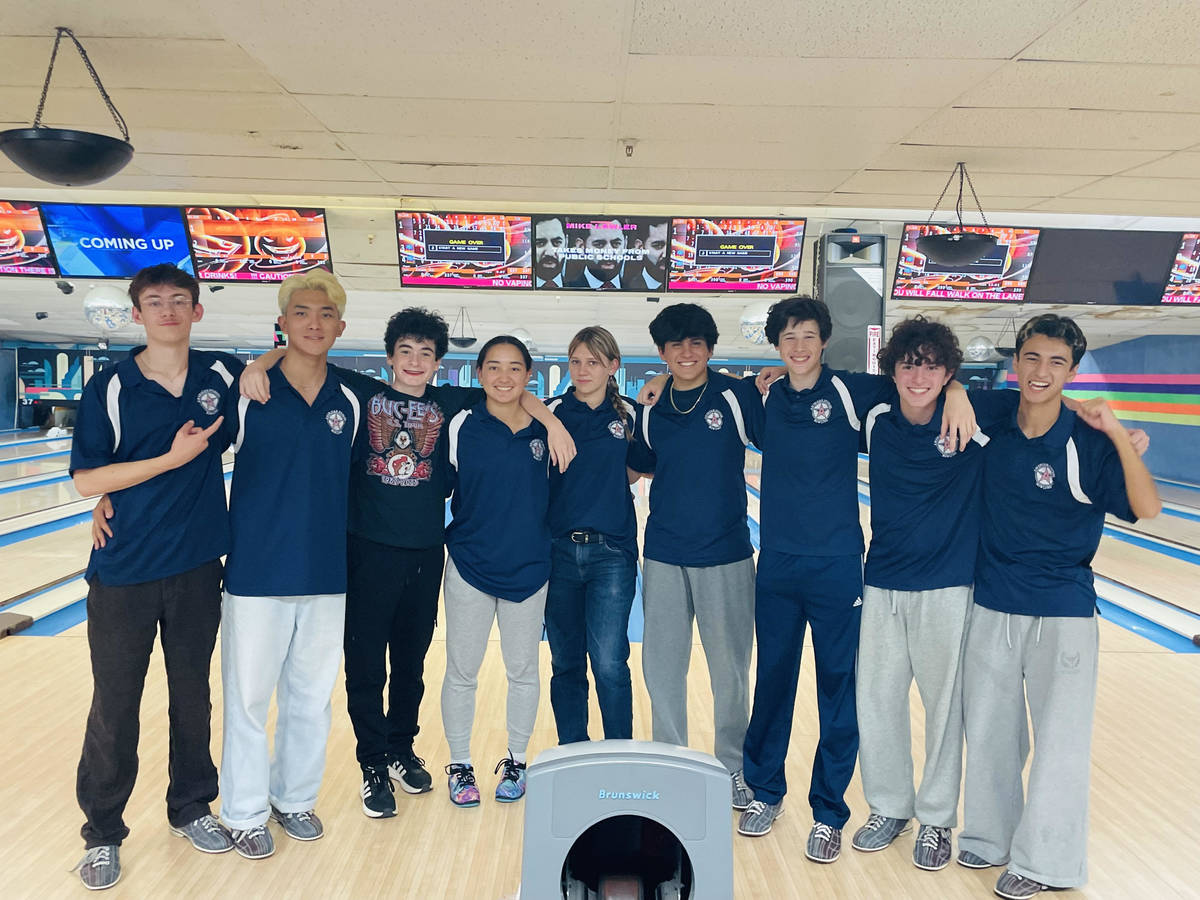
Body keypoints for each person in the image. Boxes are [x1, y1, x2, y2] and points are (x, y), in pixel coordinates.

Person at [238, 310, 572, 820]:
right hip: (367, 550)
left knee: (411, 666)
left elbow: (511, 389)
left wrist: (550, 420)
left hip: (424, 553)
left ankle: (400, 749)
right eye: (406, 352)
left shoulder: (451, 403)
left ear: (439, 364)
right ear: (390, 357)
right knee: (368, 666)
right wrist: (263, 359)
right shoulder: (363, 392)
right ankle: (372, 764)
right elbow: (306, 352)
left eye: (426, 354)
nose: (415, 362)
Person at [733, 298, 975, 863]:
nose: (798, 346)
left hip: (839, 564)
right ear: (776, 345)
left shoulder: (851, 392)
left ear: (824, 341)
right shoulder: (762, 396)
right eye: (788, 337)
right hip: (777, 564)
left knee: (839, 689)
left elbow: (921, 386)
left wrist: (959, 387)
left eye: (809, 335)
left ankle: (829, 813)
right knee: (772, 683)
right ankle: (765, 790)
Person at [957, 314, 1160, 900]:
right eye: (1032, 358)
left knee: (1060, 741)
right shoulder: (992, 415)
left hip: (1063, 611)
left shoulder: (1086, 441)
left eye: (1056, 363)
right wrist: (949, 388)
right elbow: (944, 385)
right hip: (992, 601)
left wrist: (1119, 434)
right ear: (1015, 361)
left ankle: (1046, 863)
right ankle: (990, 838)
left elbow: (1147, 508)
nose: (1041, 372)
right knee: (992, 732)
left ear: (1070, 372)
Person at [69, 262, 240, 890]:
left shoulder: (219, 374)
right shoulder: (111, 386)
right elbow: (88, 478)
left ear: (196, 311)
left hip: (196, 567)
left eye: (179, 300)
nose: (167, 310)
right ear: (137, 314)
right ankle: (103, 833)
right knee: (115, 705)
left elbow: (280, 372)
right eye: (154, 302)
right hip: (124, 570)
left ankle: (191, 806)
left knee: (192, 696)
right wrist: (170, 460)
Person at [850, 317, 1013, 871]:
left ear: (948, 371)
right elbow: (810, 373)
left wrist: (964, 391)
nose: (919, 375)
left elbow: (1045, 401)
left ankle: (938, 819)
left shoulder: (978, 413)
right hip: (882, 582)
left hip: (947, 585)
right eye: (908, 363)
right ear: (892, 369)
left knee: (944, 708)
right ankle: (890, 807)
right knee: (876, 700)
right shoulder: (875, 410)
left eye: (932, 365)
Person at [217, 270, 358, 860]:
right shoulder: (246, 391)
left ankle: (293, 799)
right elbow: (184, 452)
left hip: (327, 573)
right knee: (248, 698)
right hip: (255, 571)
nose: (314, 323)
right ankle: (243, 812)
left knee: (310, 697)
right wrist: (109, 495)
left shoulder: (352, 396)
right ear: (284, 321)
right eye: (301, 313)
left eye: (325, 315)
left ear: (341, 326)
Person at [626, 302, 763, 808]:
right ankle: (670, 761)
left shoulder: (734, 395)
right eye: (676, 344)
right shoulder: (651, 406)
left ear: (710, 348)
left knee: (730, 669)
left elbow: (783, 418)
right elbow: (637, 467)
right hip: (663, 553)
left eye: (696, 343)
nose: (687, 352)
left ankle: (733, 766)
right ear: (662, 352)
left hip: (726, 553)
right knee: (662, 666)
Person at [441, 336, 553, 806]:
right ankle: (461, 764)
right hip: (469, 564)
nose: (503, 377)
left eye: (514, 368)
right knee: (462, 670)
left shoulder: (550, 429)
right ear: (479, 374)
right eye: (493, 367)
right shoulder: (461, 424)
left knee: (524, 670)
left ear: (529, 375)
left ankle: (517, 759)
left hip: (529, 567)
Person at [544, 326, 639, 744]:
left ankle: (619, 751)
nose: (582, 370)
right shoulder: (551, 411)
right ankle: (573, 753)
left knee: (608, 662)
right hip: (558, 552)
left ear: (612, 366)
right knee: (566, 662)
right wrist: (549, 420)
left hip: (611, 554)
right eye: (576, 361)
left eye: (593, 362)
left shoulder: (629, 414)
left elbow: (641, 466)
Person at [566, 219, 629, 290]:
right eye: (599, 244)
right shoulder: (568, 286)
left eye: (616, 244)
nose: (608, 252)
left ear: (625, 245)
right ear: (581, 247)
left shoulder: (633, 287)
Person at [627, 221, 669, 291]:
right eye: (658, 245)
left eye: (672, 245)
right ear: (640, 247)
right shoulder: (627, 286)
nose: (665, 255)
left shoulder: (686, 283)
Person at [533, 216, 567, 289]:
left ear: (566, 242)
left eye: (557, 242)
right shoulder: (515, 286)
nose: (549, 252)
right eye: (540, 243)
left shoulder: (583, 285)